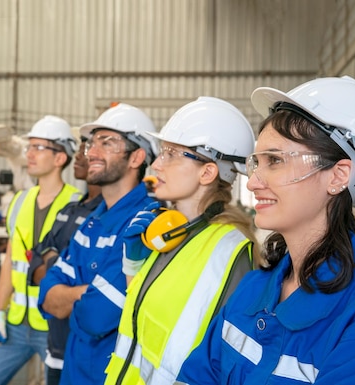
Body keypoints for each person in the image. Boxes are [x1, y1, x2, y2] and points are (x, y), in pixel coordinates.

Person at [176, 76, 355, 384]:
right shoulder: (254, 288)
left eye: (275, 160)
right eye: (257, 163)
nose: (254, 181)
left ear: (338, 176)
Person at [104, 96, 259, 385]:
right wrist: (133, 265)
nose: (157, 165)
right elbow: (145, 317)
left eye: (172, 154)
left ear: (208, 171)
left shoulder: (231, 252)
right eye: (162, 152)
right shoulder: (171, 232)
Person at [38, 103, 159, 385]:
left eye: (107, 143)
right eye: (93, 143)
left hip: (110, 376)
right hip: (74, 370)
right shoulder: (94, 219)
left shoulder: (145, 223)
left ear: (136, 157)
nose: (91, 152)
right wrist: (87, 292)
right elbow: (48, 297)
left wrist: (72, 295)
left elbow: (96, 316)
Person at [0, 115, 81, 385]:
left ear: (60, 158)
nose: (29, 154)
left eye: (39, 148)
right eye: (29, 146)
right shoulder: (20, 201)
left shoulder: (77, 207)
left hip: (54, 328)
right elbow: (11, 260)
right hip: (15, 325)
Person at [28, 132, 103, 385]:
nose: (81, 157)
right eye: (83, 149)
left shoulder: (106, 215)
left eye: (87, 150)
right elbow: (36, 259)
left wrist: (55, 265)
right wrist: (58, 269)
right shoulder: (70, 210)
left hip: (84, 346)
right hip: (56, 345)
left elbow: (92, 282)